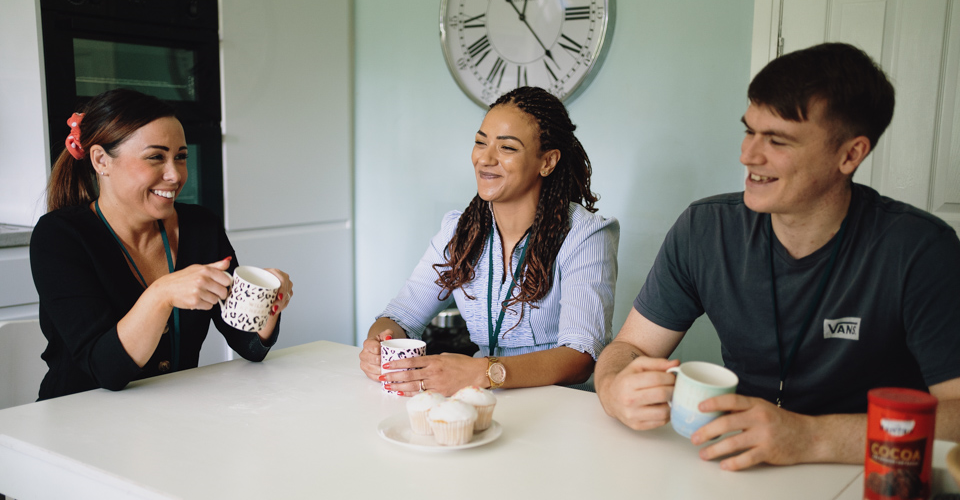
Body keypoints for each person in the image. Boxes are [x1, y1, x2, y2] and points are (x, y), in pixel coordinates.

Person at [595, 43, 960, 470]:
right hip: (741, 467)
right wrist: (611, 388)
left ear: (850, 154)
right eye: (749, 131)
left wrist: (811, 437)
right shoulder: (703, 229)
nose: (747, 155)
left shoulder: (921, 250)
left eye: (778, 140)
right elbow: (631, 346)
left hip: (865, 474)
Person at [30, 89, 294, 400]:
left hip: (172, 414)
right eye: (156, 157)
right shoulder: (60, 236)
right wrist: (162, 294)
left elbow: (248, 344)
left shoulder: (200, 226)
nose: (175, 174)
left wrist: (267, 303)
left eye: (180, 157)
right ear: (101, 160)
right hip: (77, 422)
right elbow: (106, 370)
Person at [359, 86, 619, 396]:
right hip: (484, 399)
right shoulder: (459, 230)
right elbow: (400, 316)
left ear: (547, 161)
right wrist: (378, 345)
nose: (485, 158)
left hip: (563, 407)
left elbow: (580, 357)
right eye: (481, 142)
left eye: (507, 148)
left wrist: (482, 371)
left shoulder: (585, 235)